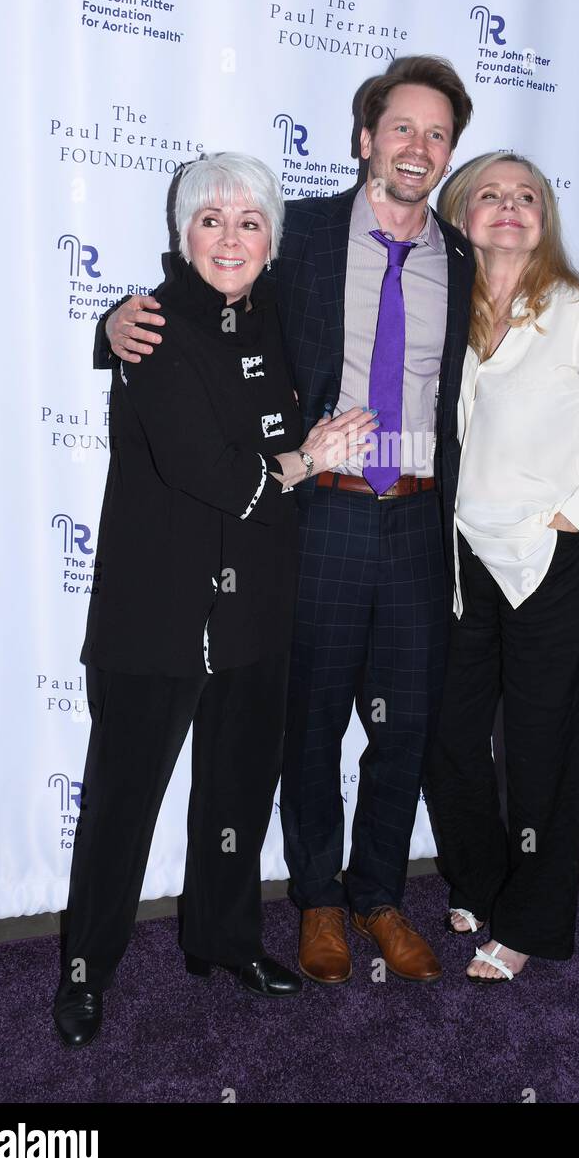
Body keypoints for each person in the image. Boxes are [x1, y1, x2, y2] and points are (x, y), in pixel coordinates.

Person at [96, 57, 477, 985]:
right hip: (318, 517)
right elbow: (203, 292)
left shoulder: (461, 257)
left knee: (406, 726)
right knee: (305, 724)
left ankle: (380, 894)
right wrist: (110, 326)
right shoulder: (297, 232)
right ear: (365, 139)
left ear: (448, 151)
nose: (417, 148)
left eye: (436, 134)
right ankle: (316, 903)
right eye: (401, 129)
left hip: (421, 521)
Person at [54, 152, 377, 1048]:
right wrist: (310, 461)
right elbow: (213, 474)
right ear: (180, 233)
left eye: (249, 222)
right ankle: (85, 970)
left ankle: (224, 943)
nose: (230, 237)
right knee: (122, 807)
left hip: (257, 606)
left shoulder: (280, 316)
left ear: (272, 240)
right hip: (154, 613)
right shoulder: (151, 327)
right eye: (210, 219)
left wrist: (308, 453)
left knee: (238, 795)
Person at [423, 152, 579, 983]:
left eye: (527, 197)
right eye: (490, 194)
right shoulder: (443, 312)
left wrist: (576, 516)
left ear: (545, 220)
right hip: (460, 560)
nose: (509, 206)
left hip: (551, 561)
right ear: (460, 214)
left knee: (543, 754)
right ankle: (486, 882)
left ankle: (529, 919)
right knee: (450, 740)